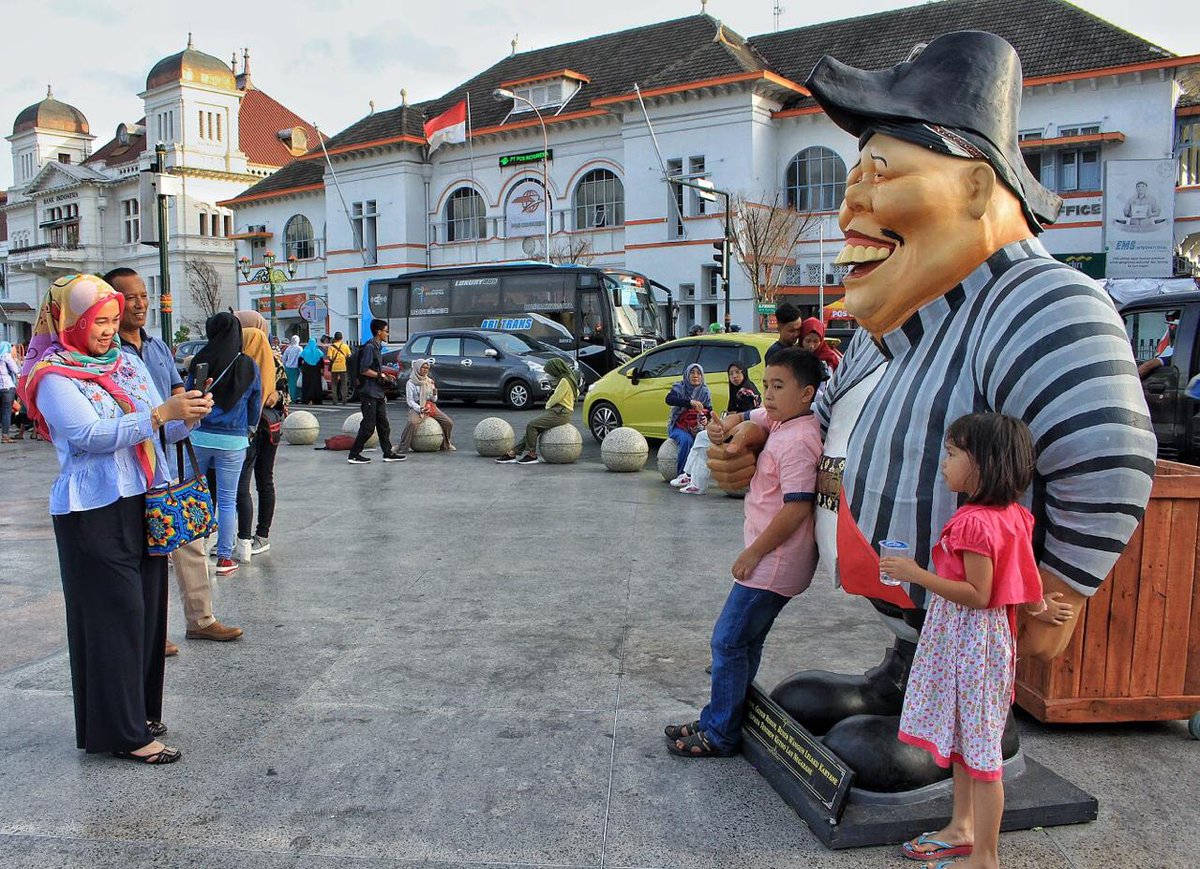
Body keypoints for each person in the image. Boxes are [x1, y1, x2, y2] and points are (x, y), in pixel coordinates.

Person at [706, 31, 1155, 792]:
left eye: (881, 173)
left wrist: (1063, 584)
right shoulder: (903, 322)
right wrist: (754, 440)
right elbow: (823, 416)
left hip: (975, 594)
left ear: (978, 190)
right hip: (917, 592)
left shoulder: (1041, 302)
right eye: (854, 176)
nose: (851, 203)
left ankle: (963, 721)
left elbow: (1108, 451)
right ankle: (906, 677)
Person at [19, 274, 212, 763]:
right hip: (93, 509)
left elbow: (160, 428)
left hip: (143, 498)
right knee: (114, 617)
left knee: (146, 615)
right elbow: (87, 434)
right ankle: (124, 734)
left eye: (110, 319)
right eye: (96, 321)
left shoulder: (125, 363)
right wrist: (156, 416)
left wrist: (188, 413)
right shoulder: (51, 374)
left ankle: (137, 714)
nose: (107, 330)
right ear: (69, 321)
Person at [880, 413, 1073, 868]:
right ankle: (962, 827)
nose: (943, 464)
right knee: (970, 742)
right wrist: (1039, 607)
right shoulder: (1014, 517)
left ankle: (985, 856)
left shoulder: (971, 524)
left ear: (983, 464)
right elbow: (1021, 574)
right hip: (987, 646)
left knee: (983, 756)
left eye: (951, 454)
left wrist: (914, 574)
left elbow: (978, 594)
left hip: (969, 645)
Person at [664, 347, 824, 757]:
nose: (768, 395)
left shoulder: (800, 441)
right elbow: (751, 417)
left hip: (773, 563)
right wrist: (725, 426)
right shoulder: (783, 421)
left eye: (778, 386)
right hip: (771, 561)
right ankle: (723, 715)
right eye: (766, 385)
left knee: (727, 642)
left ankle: (720, 734)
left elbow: (797, 508)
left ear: (806, 393)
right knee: (744, 643)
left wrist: (754, 554)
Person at [110, 267, 242, 649]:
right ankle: (152, 633)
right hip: (131, 465)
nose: (140, 304)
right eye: (130, 297)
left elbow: (175, 391)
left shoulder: (156, 348)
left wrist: (193, 408)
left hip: (167, 460)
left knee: (190, 541)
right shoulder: (107, 353)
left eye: (143, 296)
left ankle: (201, 619)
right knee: (144, 553)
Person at [185, 313, 261, 577]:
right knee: (228, 500)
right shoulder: (248, 365)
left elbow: (188, 395)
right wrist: (248, 429)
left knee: (195, 495)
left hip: (199, 435)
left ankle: (194, 553)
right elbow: (255, 403)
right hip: (233, 440)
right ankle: (225, 559)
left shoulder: (200, 360)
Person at [234, 310, 282, 562]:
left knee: (260, 480)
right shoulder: (238, 358)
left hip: (263, 427)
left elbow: (285, 395)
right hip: (263, 426)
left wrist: (276, 396)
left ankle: (260, 534)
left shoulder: (271, 359)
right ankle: (248, 535)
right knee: (249, 483)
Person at [675, 362, 761, 495]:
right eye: (731, 374)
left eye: (738, 372)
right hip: (739, 431)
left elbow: (746, 417)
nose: (734, 377)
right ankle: (691, 477)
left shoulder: (746, 392)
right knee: (702, 438)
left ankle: (695, 481)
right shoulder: (739, 390)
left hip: (743, 436)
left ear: (744, 373)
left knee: (703, 438)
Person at [496, 358, 580, 464]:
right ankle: (513, 453)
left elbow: (556, 397)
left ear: (555, 369)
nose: (550, 374)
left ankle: (532, 455)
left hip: (560, 413)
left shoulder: (564, 381)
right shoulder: (569, 378)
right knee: (533, 430)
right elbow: (576, 392)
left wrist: (548, 405)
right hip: (562, 412)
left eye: (550, 371)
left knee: (532, 426)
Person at [348, 318, 406, 465]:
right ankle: (354, 454)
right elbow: (364, 370)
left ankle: (388, 453)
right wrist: (381, 375)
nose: (387, 333)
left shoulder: (377, 347)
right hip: (369, 392)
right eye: (386, 331)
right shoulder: (370, 347)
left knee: (383, 425)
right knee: (368, 426)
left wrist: (385, 376)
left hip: (378, 392)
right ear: (378, 332)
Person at [665, 363, 712, 481]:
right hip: (679, 426)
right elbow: (669, 399)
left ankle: (698, 477)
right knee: (687, 440)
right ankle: (682, 475)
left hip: (697, 427)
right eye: (692, 372)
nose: (695, 375)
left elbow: (709, 411)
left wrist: (705, 419)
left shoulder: (704, 392)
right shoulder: (679, 388)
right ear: (686, 374)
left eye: (698, 373)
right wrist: (690, 402)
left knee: (703, 443)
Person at [397, 358, 455, 452]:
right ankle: (402, 446)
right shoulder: (411, 383)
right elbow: (410, 401)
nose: (425, 370)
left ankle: (446, 444)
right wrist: (420, 408)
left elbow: (433, 400)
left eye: (427, 368)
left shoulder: (429, 381)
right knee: (412, 423)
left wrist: (434, 394)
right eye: (423, 368)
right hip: (418, 406)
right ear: (417, 368)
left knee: (448, 422)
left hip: (429, 406)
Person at [0, 341, 19, 443]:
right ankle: (5, 436)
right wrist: (15, 361)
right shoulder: (6, 356)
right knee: (7, 413)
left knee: (2, 412)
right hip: (7, 387)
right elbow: (16, 370)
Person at [327, 331, 352, 404]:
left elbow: (329, 357)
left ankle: (335, 400)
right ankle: (344, 400)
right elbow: (349, 355)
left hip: (334, 368)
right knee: (344, 384)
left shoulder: (331, 347)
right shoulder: (345, 346)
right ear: (342, 338)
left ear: (334, 338)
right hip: (343, 367)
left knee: (334, 384)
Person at [299, 337, 325, 405]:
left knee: (307, 386)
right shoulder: (318, 352)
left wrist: (300, 367)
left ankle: (306, 400)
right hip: (316, 371)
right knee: (316, 386)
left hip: (306, 370)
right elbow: (322, 362)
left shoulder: (305, 351)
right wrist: (322, 369)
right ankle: (317, 400)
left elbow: (299, 360)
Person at [281, 335, 302, 402]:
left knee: (289, 384)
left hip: (288, 368)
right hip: (295, 368)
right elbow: (300, 359)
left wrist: (285, 365)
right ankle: (294, 398)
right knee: (295, 384)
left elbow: (284, 358)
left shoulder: (288, 348)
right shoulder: (299, 348)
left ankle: (289, 397)